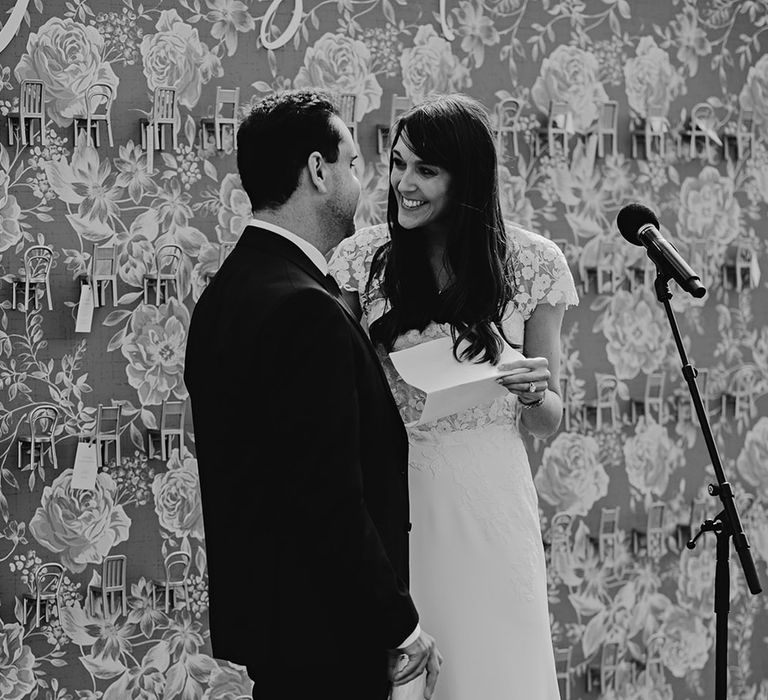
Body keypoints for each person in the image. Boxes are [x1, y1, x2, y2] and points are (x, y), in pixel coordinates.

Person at [184, 90, 441, 700]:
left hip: (276, 632)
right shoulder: (305, 308)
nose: (362, 181)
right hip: (328, 636)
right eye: (353, 163)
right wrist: (401, 628)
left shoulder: (226, 295)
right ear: (318, 171)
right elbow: (328, 497)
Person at [328, 93, 579, 700]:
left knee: (493, 670)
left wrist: (530, 391)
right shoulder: (362, 260)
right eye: (397, 164)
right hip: (397, 495)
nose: (403, 184)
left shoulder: (534, 262)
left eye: (426, 170)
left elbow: (550, 420)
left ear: (466, 178)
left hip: (493, 500)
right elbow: (336, 396)